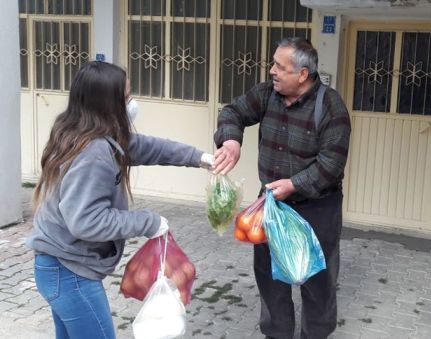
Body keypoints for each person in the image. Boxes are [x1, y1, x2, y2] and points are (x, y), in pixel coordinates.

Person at [26, 61, 214, 339]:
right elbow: (86, 221)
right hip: (69, 273)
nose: (132, 102)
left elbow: (146, 147)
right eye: (126, 97)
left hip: (57, 267)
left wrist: (198, 157)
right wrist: (149, 222)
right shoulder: (94, 151)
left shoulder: (81, 130)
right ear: (108, 103)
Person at [213, 37, 351, 339]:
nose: (272, 71)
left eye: (280, 66)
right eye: (273, 63)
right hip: (272, 205)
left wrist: (294, 184)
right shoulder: (267, 94)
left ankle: (314, 334)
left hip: (317, 208)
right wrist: (232, 140)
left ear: (303, 74)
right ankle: (277, 334)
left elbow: (331, 164)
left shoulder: (330, 105)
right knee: (270, 276)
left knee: (318, 279)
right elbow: (232, 112)